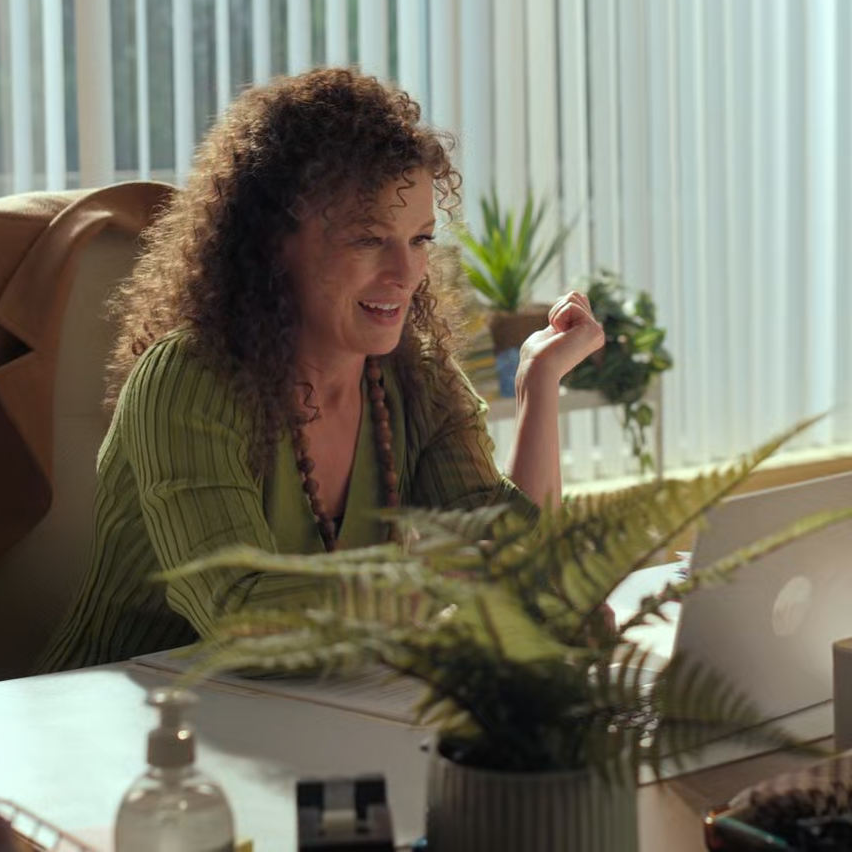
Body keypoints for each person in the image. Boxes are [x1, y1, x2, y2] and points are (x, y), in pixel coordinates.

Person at [38, 68, 603, 672]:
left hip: (315, 705)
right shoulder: (186, 380)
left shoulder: (417, 376)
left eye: (419, 240)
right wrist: (445, 579)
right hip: (119, 710)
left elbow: (520, 562)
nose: (405, 274)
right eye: (368, 239)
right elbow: (241, 615)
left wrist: (539, 385)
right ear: (273, 242)